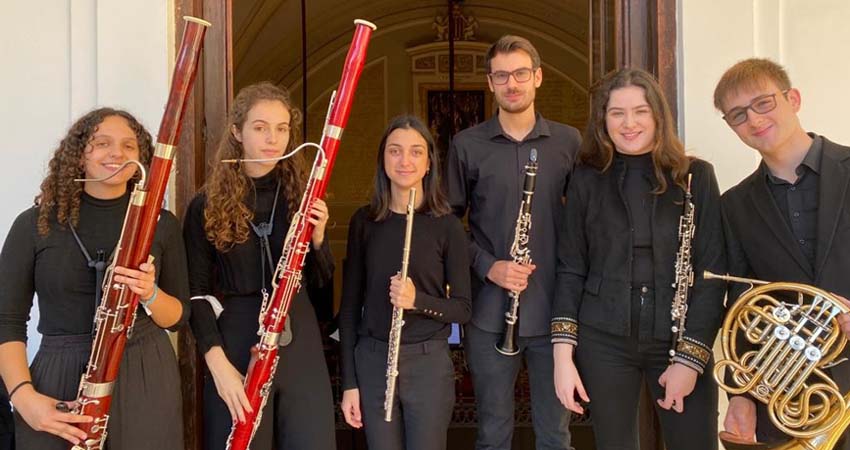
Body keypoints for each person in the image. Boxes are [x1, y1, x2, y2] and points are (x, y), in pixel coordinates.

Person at [551, 68, 726, 450]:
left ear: (658, 116)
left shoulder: (696, 176)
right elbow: (570, 269)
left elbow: (712, 275)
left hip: (679, 339)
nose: (629, 123)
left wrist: (690, 359)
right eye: (617, 113)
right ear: (603, 120)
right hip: (603, 340)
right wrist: (562, 357)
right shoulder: (585, 179)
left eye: (641, 111)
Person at [0, 108, 189, 449]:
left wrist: (150, 293)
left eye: (129, 146)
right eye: (102, 143)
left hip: (145, 372)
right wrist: (24, 399)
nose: (117, 153)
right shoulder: (33, 225)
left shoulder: (161, 223)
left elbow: (178, 317)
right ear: (79, 154)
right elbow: (6, 321)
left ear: (142, 158)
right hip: (58, 375)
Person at [184, 81, 336, 450]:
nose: (273, 138)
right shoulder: (205, 205)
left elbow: (322, 293)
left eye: (282, 128)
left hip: (299, 341)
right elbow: (197, 294)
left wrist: (318, 241)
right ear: (237, 132)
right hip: (235, 343)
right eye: (260, 127)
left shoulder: (303, 196)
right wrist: (218, 368)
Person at [447, 35, 581, 450]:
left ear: (537, 77)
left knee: (556, 434)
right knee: (492, 431)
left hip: (553, 309)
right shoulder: (466, 144)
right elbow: (447, 226)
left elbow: (584, 225)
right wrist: (488, 264)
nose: (512, 83)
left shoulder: (569, 142)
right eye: (502, 75)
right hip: (489, 312)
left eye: (521, 73)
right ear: (490, 83)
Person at [716, 57, 850, 448]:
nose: (754, 120)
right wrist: (741, 394)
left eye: (763, 103)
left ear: (793, 98)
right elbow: (741, 306)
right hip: (791, 398)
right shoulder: (735, 205)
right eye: (738, 115)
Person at [338, 115, 471, 450]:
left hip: (428, 364)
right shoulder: (364, 222)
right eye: (395, 151)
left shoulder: (447, 226)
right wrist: (349, 383)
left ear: (429, 163)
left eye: (416, 152)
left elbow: (463, 310)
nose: (405, 160)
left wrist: (417, 301)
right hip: (372, 361)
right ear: (383, 161)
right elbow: (350, 309)